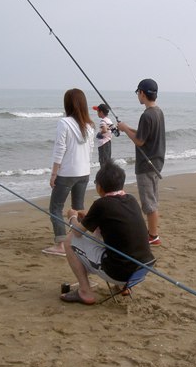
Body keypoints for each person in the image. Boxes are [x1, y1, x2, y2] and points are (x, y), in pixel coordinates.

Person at [60, 160, 155, 305]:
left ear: (100, 187)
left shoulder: (101, 204)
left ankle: (85, 291)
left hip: (119, 272)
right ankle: (122, 287)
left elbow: (77, 233)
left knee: (69, 241)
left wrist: (72, 216)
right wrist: (89, 218)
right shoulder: (131, 199)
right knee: (110, 237)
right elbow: (114, 225)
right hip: (142, 268)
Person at [44, 89, 94, 257]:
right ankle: (81, 241)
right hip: (84, 171)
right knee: (78, 207)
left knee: (55, 208)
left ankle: (60, 244)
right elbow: (91, 150)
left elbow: (60, 150)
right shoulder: (89, 126)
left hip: (67, 173)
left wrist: (53, 174)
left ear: (68, 105)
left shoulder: (64, 123)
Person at [117, 79, 166, 246]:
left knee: (149, 203)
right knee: (152, 199)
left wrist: (124, 129)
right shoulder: (157, 112)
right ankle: (153, 233)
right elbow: (145, 135)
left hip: (147, 164)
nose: (138, 95)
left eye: (138, 92)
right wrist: (128, 128)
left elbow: (139, 141)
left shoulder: (147, 115)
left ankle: (153, 236)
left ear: (142, 93)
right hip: (156, 162)